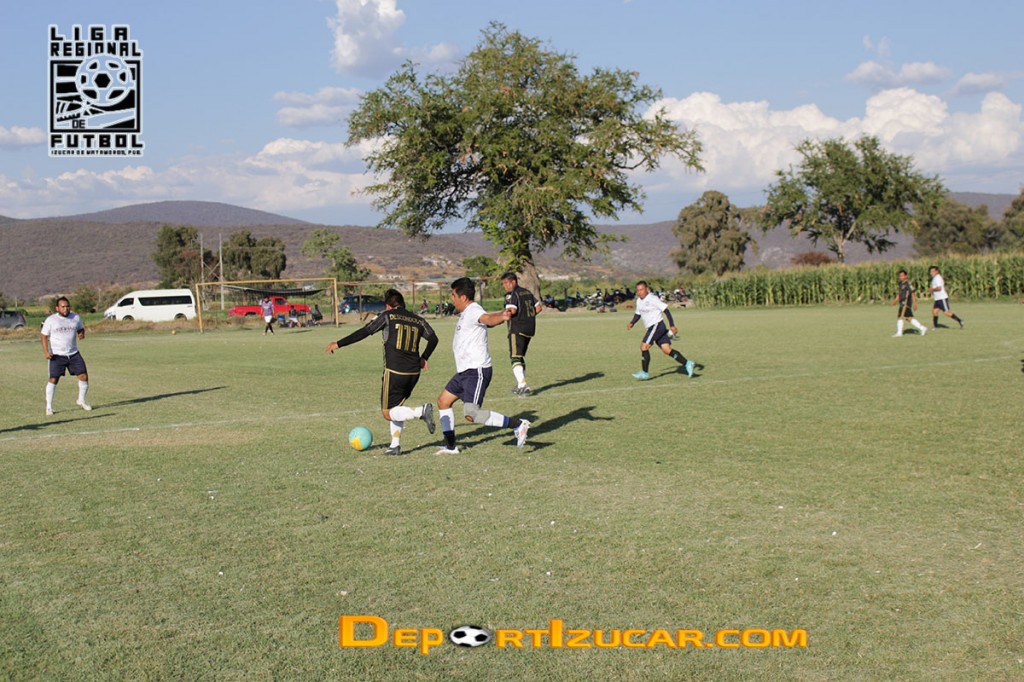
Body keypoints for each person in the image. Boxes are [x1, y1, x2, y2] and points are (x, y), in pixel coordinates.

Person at [326, 289, 439, 456]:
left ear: (388, 306)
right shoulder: (418, 319)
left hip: (394, 371)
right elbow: (434, 338)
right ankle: (395, 446)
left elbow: (365, 332)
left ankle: (421, 411)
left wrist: (339, 343)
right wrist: (424, 357)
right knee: (397, 408)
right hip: (414, 372)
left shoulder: (387, 316)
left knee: (388, 413)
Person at [436, 277, 531, 455]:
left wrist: (502, 316)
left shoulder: (474, 310)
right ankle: (451, 446)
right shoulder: (466, 313)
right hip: (464, 371)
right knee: (443, 401)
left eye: (453, 295)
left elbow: (488, 319)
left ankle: (518, 425)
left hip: (476, 371)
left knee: (471, 414)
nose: (452, 299)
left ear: (463, 297)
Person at [626, 281, 697, 380]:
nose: (639, 292)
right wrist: (632, 322)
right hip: (654, 327)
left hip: (656, 325)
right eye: (638, 290)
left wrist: (672, 325)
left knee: (644, 347)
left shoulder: (652, 299)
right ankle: (688, 363)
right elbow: (638, 313)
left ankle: (644, 373)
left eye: (641, 289)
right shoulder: (639, 301)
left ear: (647, 289)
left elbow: (666, 311)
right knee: (667, 350)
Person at [40, 296, 91, 415]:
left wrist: (81, 334)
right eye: (63, 307)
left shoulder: (75, 317)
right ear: (57, 308)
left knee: (83, 376)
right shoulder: (51, 320)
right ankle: (49, 407)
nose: (66, 309)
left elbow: (80, 329)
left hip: (73, 354)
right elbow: (44, 336)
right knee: (53, 379)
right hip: (57, 355)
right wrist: (46, 352)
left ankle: (81, 400)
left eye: (67, 306)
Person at [500, 272, 543, 396]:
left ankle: (523, 385)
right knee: (520, 357)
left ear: (513, 282)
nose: (504, 286)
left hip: (517, 328)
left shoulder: (511, 294)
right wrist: (527, 317)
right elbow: (539, 308)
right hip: (529, 329)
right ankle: (520, 385)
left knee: (515, 357)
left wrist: (499, 316)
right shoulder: (527, 292)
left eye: (506, 283)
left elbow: (512, 310)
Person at [926, 265, 964, 330]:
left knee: (946, 312)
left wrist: (932, 289)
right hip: (937, 298)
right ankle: (935, 327)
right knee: (934, 312)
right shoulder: (934, 278)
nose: (931, 273)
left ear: (937, 271)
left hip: (942, 298)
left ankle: (960, 321)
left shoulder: (938, 278)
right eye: (930, 271)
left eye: (933, 271)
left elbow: (939, 288)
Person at [891, 270, 928, 337]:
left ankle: (899, 333)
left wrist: (915, 303)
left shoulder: (908, 284)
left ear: (906, 276)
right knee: (908, 318)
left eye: (902, 276)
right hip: (902, 302)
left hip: (905, 303)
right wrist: (895, 300)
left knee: (900, 317)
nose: (901, 277)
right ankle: (922, 328)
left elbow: (913, 293)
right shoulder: (900, 283)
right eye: (900, 276)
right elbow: (900, 293)